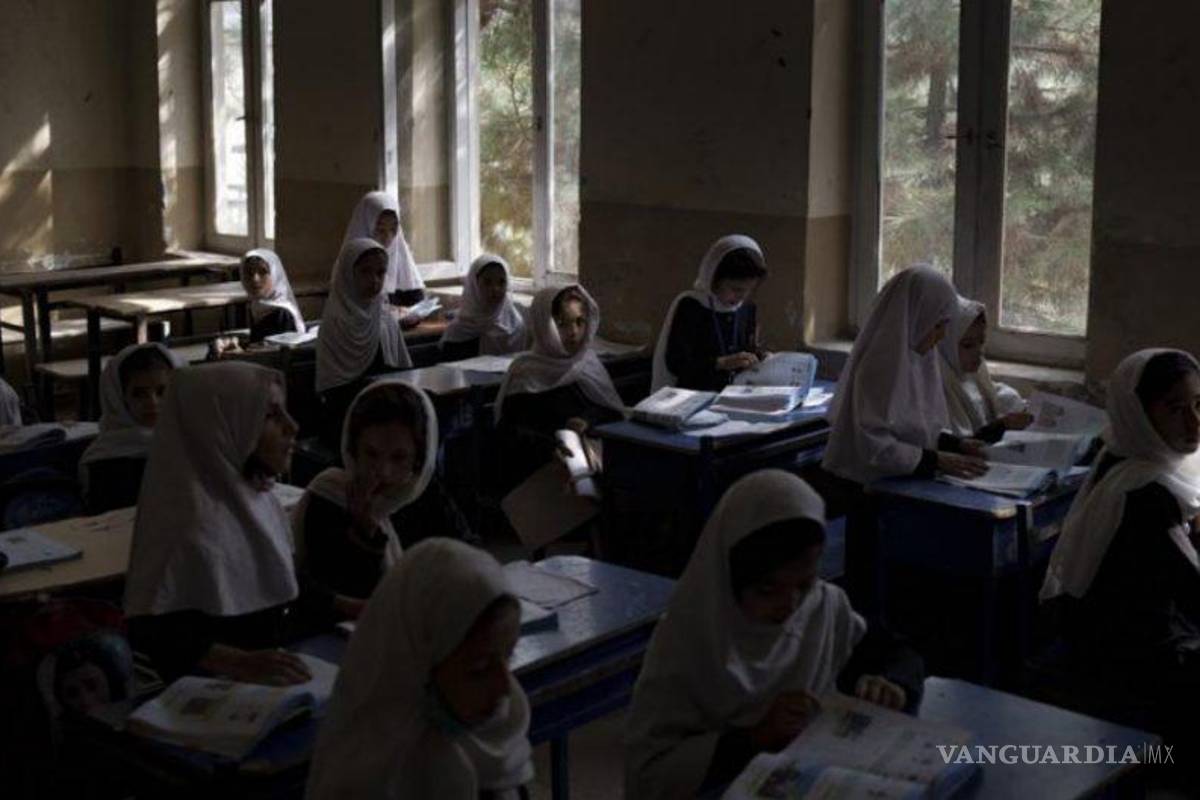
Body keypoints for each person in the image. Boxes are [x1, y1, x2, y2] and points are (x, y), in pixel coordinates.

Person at [624, 470, 923, 798]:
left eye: (804, 583)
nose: (790, 606)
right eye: (768, 589)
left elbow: (896, 654)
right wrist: (754, 738)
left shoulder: (822, 606)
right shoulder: (687, 640)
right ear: (730, 576)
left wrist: (891, 682)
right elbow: (648, 776)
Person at [1041, 349, 1200, 755]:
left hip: (1121, 643)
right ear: (1140, 415)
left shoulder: (1126, 455)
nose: (1194, 423)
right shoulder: (1146, 492)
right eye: (1175, 409)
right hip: (1136, 666)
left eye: (1199, 404)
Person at [123, 362, 311, 685]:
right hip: (215, 698)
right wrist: (238, 662)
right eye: (269, 415)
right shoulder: (186, 525)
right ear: (220, 428)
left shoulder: (260, 498)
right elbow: (152, 630)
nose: (292, 426)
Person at [306, 538, 533, 799]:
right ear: (417, 668)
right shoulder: (368, 778)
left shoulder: (500, 739)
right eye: (478, 670)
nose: (504, 687)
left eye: (509, 657)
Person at [821, 266, 988, 485]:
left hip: (904, 483)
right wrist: (936, 460)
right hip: (869, 488)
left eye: (945, 325)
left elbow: (919, 430)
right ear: (916, 317)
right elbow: (874, 447)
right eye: (937, 325)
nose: (942, 336)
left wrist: (956, 445)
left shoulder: (921, 359)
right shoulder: (880, 366)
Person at [494, 284, 624, 486]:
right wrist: (551, 446)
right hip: (540, 472)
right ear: (544, 326)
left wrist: (585, 421)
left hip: (589, 462)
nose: (573, 332)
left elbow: (612, 412)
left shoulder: (588, 364)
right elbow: (512, 433)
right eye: (562, 324)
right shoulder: (526, 373)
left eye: (580, 322)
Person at [316, 237, 412, 445]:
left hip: (386, 409)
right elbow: (333, 387)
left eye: (380, 273)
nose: (375, 281)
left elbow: (402, 372)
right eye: (365, 272)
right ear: (348, 274)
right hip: (347, 416)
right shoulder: (335, 321)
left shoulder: (385, 319)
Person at [652, 234, 768, 391]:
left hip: (733, 393)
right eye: (735, 289)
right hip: (692, 394)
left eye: (749, 290)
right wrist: (721, 363)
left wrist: (760, 357)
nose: (742, 296)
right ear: (713, 279)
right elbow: (676, 363)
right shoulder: (692, 306)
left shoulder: (747, 308)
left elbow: (747, 348)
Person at [79, 343, 183, 513]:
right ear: (118, 398)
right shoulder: (104, 459)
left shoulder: (192, 441)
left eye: (162, 391)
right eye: (139, 393)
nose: (152, 402)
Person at [938, 296, 1031, 441]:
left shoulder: (973, 374)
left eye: (981, 342)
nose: (979, 351)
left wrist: (1020, 408)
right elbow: (960, 442)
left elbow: (994, 395)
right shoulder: (939, 388)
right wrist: (1002, 425)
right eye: (968, 345)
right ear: (945, 345)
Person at [341, 190, 425, 305]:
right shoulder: (351, 266)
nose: (388, 237)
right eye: (380, 230)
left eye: (393, 229)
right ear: (366, 227)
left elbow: (417, 299)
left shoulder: (400, 258)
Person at [440, 254, 529, 361]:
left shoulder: (515, 324)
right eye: (487, 282)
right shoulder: (459, 330)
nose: (495, 289)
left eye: (502, 282)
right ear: (474, 285)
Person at [242, 248, 305, 343]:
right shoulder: (258, 305)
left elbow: (278, 353)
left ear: (275, 275)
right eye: (249, 273)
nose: (255, 279)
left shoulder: (283, 314)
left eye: (263, 272)